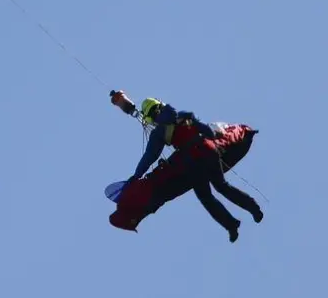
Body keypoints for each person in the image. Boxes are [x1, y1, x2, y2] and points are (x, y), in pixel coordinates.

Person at [112, 91, 264, 242]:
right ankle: (254, 209)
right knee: (222, 186)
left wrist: (136, 175)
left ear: (150, 116)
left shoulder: (160, 132)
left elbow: (150, 157)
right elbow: (207, 130)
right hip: (208, 149)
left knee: (206, 197)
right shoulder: (181, 115)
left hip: (192, 161)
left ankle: (231, 226)